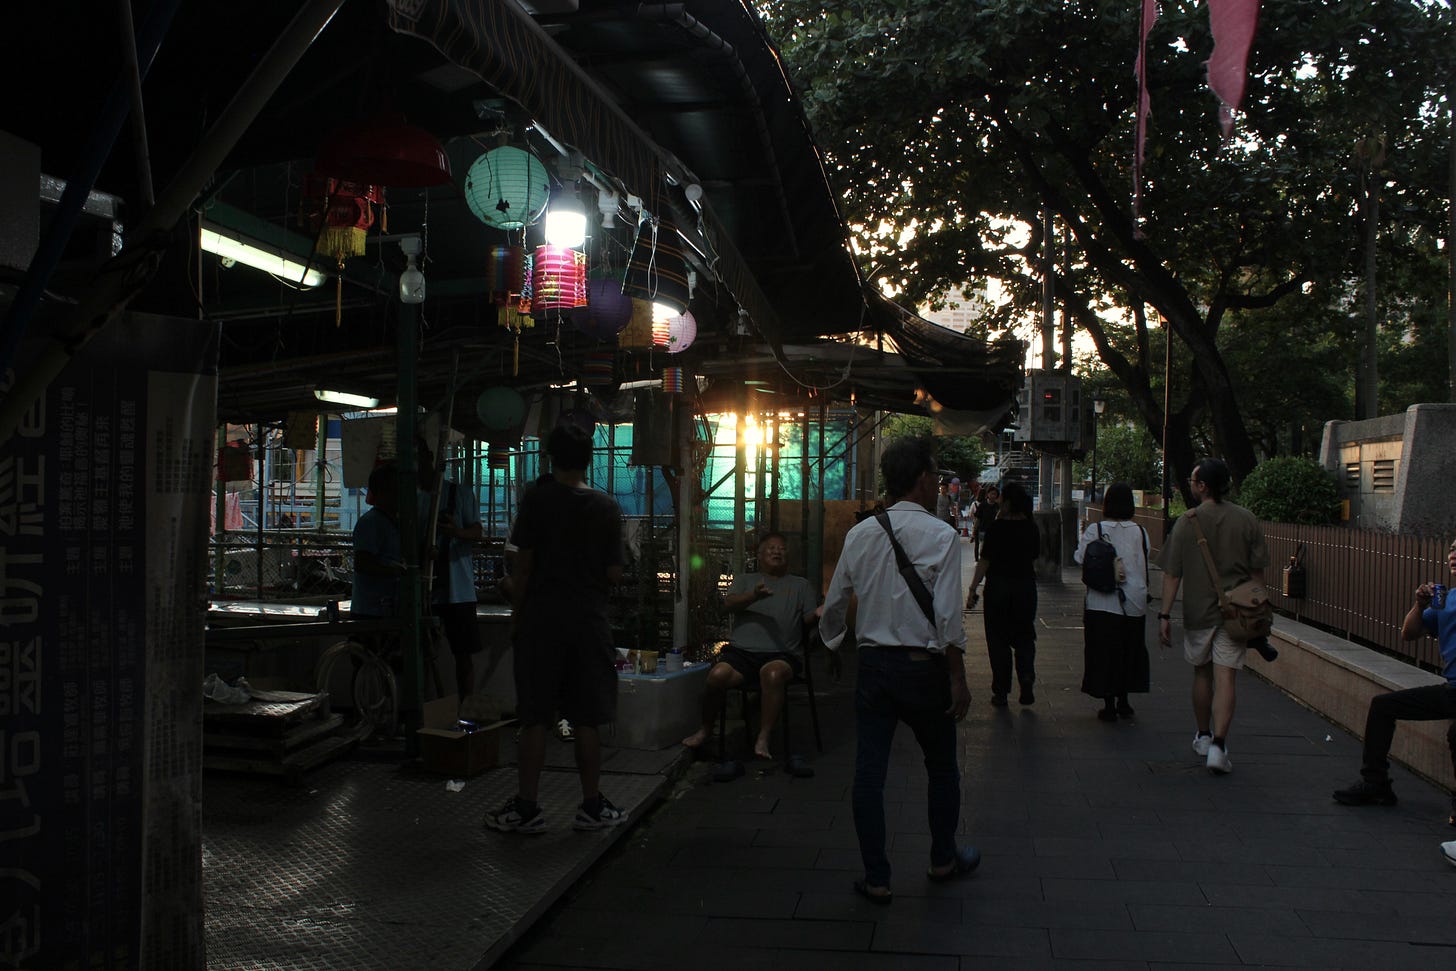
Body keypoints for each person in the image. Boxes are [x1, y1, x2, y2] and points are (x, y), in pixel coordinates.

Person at [820, 437, 979, 905]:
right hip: (923, 670)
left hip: (873, 669)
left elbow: (834, 604)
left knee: (869, 773)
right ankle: (943, 858)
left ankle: (877, 877)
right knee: (942, 767)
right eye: (935, 476)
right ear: (924, 479)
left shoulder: (860, 534)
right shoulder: (943, 536)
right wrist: (958, 676)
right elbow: (948, 617)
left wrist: (832, 644)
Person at [485, 424, 626, 835]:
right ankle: (591, 807)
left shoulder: (537, 500)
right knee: (585, 718)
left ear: (551, 458)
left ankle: (527, 809)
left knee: (534, 718)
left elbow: (522, 567)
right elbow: (615, 574)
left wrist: (517, 613)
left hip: (541, 623)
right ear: (589, 460)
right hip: (588, 624)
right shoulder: (605, 507)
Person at [1333, 537, 1456, 830]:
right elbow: (1408, 634)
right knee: (1382, 706)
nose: (1454, 555)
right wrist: (1420, 604)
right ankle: (1376, 783)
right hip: (1452, 690)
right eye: (1452, 549)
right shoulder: (1447, 598)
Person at [1157, 457, 1269, 775]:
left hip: (1198, 612)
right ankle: (1220, 746)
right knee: (1227, 676)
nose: (1190, 485)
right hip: (1238, 614)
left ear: (1203, 486)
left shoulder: (1187, 521)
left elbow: (1172, 574)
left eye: (1193, 481)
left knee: (1202, 674)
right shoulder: (1247, 519)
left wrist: (1164, 615)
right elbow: (1258, 573)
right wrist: (1260, 611)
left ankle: (1203, 735)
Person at [681, 532, 821, 760]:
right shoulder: (746, 580)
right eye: (771, 548)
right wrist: (753, 596)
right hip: (741, 654)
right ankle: (706, 729)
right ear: (759, 555)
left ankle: (763, 737)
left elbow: (807, 620)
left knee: (773, 673)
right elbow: (728, 604)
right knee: (717, 675)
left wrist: (818, 614)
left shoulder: (800, 585)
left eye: (782, 548)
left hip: (782, 654)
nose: (777, 551)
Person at [1073, 483, 1151, 721]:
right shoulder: (1140, 531)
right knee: (1129, 650)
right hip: (1134, 602)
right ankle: (1124, 700)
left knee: (1103, 651)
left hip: (1101, 601)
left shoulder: (1095, 529)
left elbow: (1079, 558)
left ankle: (1108, 703)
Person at [416, 437, 485, 702]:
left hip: (458, 590)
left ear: (429, 457)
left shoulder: (460, 493)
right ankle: (426, 711)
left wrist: (455, 532)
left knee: (463, 655)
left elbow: (477, 532)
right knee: (422, 654)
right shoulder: (409, 497)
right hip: (426, 589)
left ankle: (466, 709)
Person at [965, 481, 1040, 706]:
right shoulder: (1031, 527)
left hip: (998, 588)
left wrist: (972, 589)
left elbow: (984, 561)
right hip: (1025, 588)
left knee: (998, 641)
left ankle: (1001, 690)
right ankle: (1026, 677)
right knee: (1025, 635)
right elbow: (1035, 557)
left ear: (1007, 502)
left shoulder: (997, 529)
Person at [350, 463, 404, 618]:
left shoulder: (393, 522)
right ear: (382, 492)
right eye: (396, 489)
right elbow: (363, 563)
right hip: (371, 611)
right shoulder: (371, 522)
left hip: (386, 607)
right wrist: (397, 572)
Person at [971, 485, 1000, 559]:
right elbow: (978, 519)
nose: (993, 496)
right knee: (983, 548)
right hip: (983, 530)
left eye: (995, 494)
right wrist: (974, 532)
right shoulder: (982, 505)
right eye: (992, 493)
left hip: (994, 531)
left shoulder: (998, 507)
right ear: (987, 494)